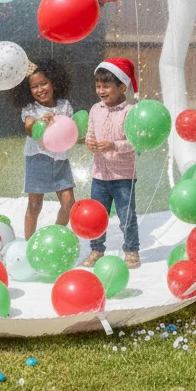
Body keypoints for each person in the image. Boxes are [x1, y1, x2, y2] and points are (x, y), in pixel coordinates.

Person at [82, 57, 140, 270]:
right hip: (99, 174)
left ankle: (132, 250)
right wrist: (90, 142)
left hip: (123, 176)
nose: (101, 91)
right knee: (97, 216)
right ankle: (97, 250)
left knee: (126, 215)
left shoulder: (131, 112)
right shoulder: (95, 109)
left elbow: (135, 143)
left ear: (122, 86)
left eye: (106, 86)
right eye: (98, 86)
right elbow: (90, 133)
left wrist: (112, 145)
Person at [10, 59, 76, 240]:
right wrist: (41, 123)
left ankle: (53, 236)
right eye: (34, 87)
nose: (40, 89)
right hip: (38, 159)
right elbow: (30, 129)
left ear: (54, 82)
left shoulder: (64, 106)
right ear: (28, 90)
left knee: (69, 202)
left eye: (44, 83)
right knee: (34, 205)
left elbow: (72, 133)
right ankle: (29, 243)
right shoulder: (30, 107)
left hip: (61, 160)